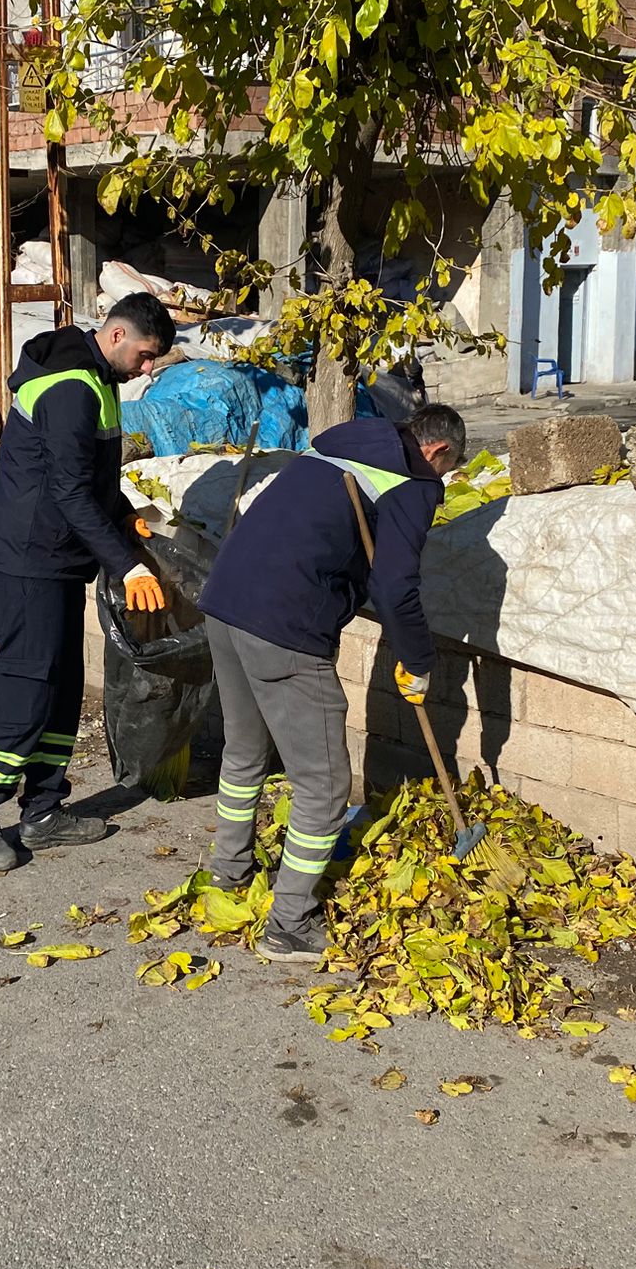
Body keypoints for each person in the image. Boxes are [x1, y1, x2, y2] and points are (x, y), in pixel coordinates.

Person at [196, 403, 466, 959]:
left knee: (244, 749)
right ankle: (289, 923)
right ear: (437, 450)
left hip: (224, 602)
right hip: (284, 625)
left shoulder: (347, 441)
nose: (442, 478)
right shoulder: (413, 482)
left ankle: (228, 872)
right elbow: (395, 587)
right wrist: (418, 661)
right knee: (323, 784)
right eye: (448, 468)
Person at [0, 292, 178, 871]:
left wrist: (122, 513)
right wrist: (126, 564)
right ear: (118, 336)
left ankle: (43, 811)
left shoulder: (96, 377)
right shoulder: (72, 386)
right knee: (28, 692)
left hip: (58, 560)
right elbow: (69, 492)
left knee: (63, 688)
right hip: (29, 562)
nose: (148, 369)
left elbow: (87, 476)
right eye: (146, 355)